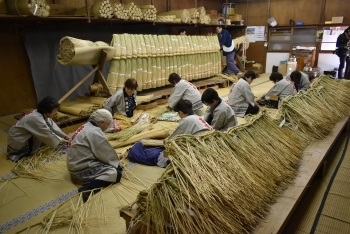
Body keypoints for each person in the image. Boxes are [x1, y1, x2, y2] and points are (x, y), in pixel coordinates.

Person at [128, 99, 212, 167]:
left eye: (178, 114)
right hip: (210, 142)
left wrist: (167, 140)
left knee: (161, 154)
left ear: (181, 112)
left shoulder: (186, 120)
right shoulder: (196, 117)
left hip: (201, 147)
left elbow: (173, 139)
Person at [67, 109, 123, 202]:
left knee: (115, 166)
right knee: (116, 173)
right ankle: (87, 189)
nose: (108, 126)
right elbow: (105, 154)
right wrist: (117, 157)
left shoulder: (85, 126)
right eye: (107, 124)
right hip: (80, 170)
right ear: (101, 122)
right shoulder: (94, 132)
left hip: (74, 164)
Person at [6, 96, 69, 162]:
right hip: (18, 139)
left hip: (22, 135)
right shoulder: (35, 118)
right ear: (47, 111)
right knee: (43, 136)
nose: (57, 112)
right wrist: (62, 140)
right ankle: (28, 152)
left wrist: (65, 137)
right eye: (55, 110)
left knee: (48, 138)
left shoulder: (41, 113)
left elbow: (53, 127)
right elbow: (47, 133)